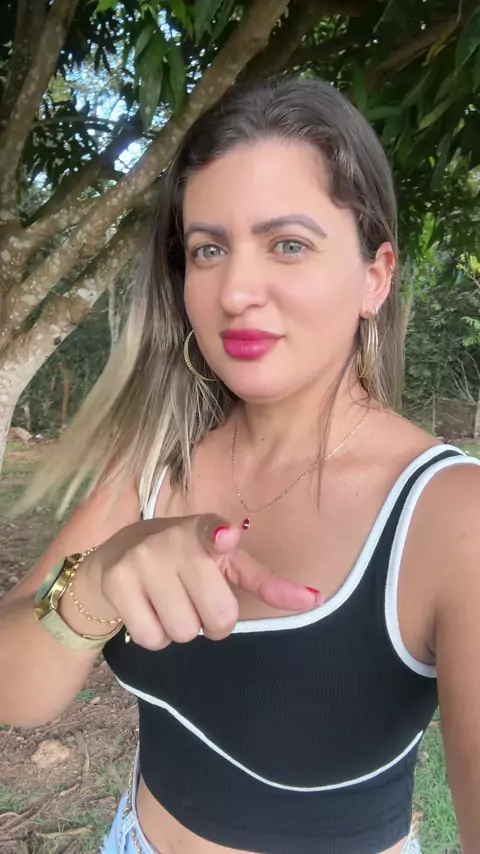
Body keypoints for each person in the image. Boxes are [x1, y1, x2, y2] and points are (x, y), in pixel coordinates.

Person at [1, 75, 479, 854]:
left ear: (375, 276)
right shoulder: (156, 457)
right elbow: (14, 692)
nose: (235, 292)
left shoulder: (452, 518)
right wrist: (98, 577)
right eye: (209, 250)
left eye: (288, 244)